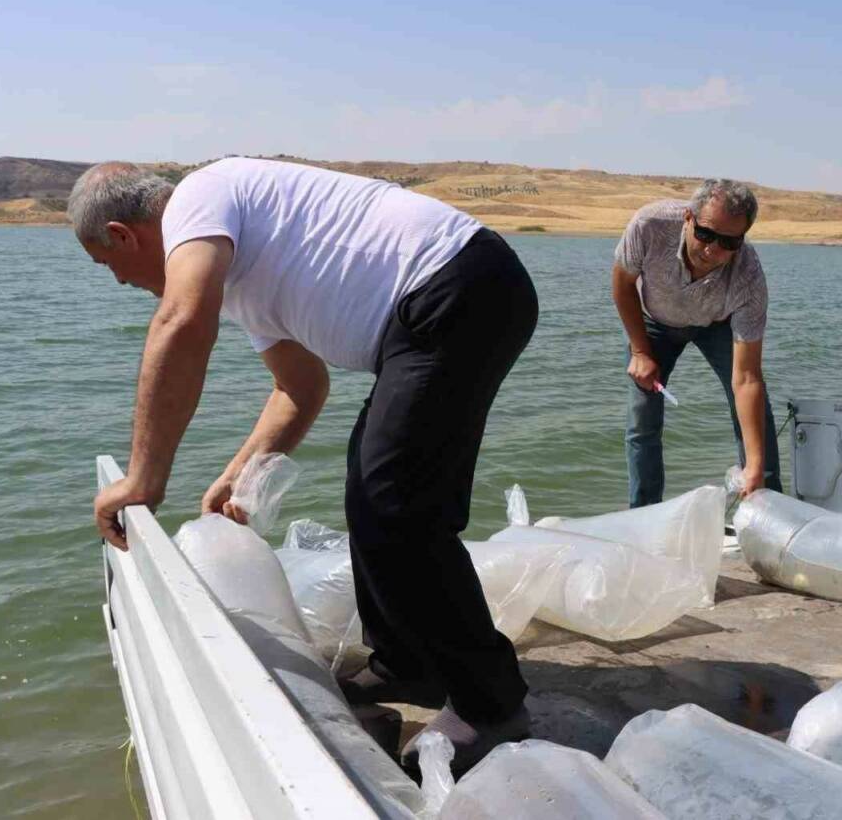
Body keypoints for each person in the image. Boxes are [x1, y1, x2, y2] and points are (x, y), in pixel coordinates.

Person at [71, 157, 536, 775]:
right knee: (371, 488)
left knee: (398, 502)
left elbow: (181, 324)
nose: (123, 284)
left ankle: (492, 705)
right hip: (437, 310)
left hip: (457, 287)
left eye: (111, 268)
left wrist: (142, 479)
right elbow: (299, 387)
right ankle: (406, 664)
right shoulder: (244, 277)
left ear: (124, 235)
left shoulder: (198, 199)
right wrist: (240, 475)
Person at [612, 179, 783, 507]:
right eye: (705, 234)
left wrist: (756, 466)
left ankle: (767, 502)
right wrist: (639, 350)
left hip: (716, 323)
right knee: (642, 417)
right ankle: (644, 514)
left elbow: (746, 379)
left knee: (754, 408)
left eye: (728, 242)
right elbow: (622, 283)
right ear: (688, 219)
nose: (713, 250)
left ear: (742, 239)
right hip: (654, 321)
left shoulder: (748, 276)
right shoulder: (650, 225)